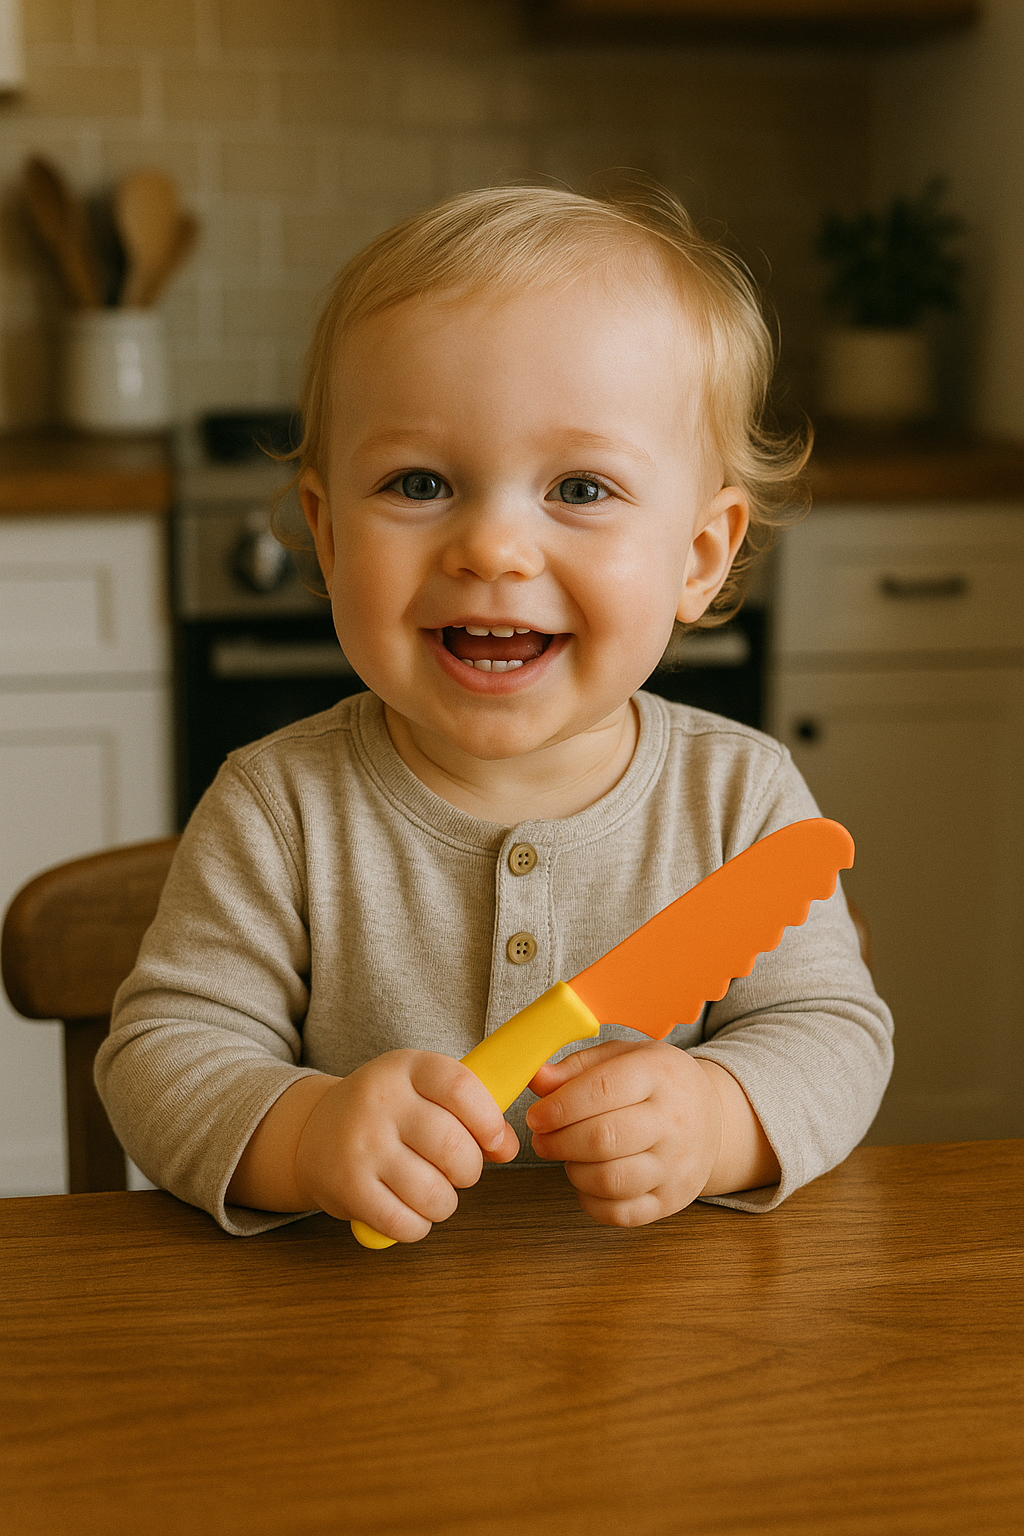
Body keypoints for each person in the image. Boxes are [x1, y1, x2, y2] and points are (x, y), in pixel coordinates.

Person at [96, 186, 893, 1241]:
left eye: (580, 489)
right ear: (327, 538)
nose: (493, 549)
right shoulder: (277, 807)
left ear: (700, 557)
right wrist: (306, 1132)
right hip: (343, 1340)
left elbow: (831, 1032)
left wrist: (718, 1116)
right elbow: (162, 1054)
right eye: (420, 482)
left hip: (656, 1349)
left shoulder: (740, 800)